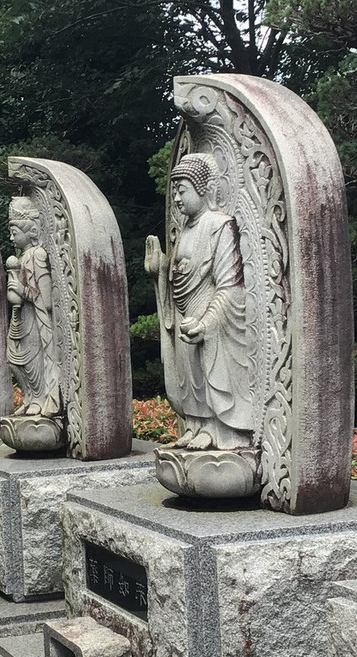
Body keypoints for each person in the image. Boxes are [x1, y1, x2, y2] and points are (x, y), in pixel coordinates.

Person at [145, 152, 255, 450]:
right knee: (188, 377)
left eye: (183, 191)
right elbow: (178, 278)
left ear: (203, 189)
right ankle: (195, 426)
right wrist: (159, 270)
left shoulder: (219, 225)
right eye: (175, 193)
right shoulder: (184, 232)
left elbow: (231, 286)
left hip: (210, 316)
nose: (177, 200)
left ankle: (217, 431)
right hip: (184, 314)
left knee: (209, 373)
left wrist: (207, 323)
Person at [6, 196, 61, 417]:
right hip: (21, 317)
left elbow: (46, 300)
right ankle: (29, 397)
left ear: (31, 231)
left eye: (14, 232)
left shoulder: (38, 255)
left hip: (36, 319)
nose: (11, 237)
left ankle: (40, 398)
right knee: (14, 359)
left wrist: (21, 291)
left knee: (33, 360)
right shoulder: (22, 257)